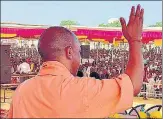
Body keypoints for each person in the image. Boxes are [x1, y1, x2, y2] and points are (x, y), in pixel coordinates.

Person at [8, 5, 144, 118]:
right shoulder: (81, 89)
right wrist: (135, 40)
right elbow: (133, 85)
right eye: (79, 52)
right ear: (69, 52)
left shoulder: (22, 90)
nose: (80, 58)